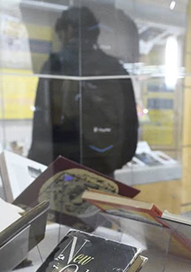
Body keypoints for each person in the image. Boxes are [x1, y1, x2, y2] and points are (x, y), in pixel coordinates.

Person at [28, 6, 138, 177]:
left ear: (69, 30)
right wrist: (113, 162)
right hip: (103, 168)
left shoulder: (55, 66)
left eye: (60, 34)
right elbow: (130, 125)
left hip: (63, 169)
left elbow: (44, 124)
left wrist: (35, 166)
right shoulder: (115, 69)